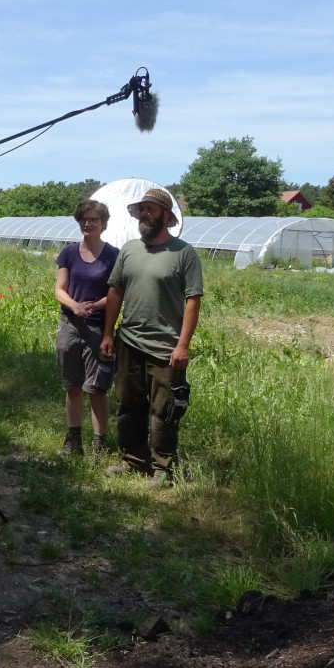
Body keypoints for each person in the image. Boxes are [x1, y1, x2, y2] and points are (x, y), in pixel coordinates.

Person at [99, 187, 203, 488]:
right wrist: (108, 333)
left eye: (151, 209)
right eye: (141, 209)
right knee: (128, 404)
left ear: (166, 216)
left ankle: (162, 468)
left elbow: (193, 301)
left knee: (165, 409)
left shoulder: (184, 253)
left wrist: (183, 345)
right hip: (128, 341)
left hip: (166, 348)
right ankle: (133, 460)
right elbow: (115, 291)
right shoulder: (130, 250)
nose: (144, 214)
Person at [54, 199, 119, 457]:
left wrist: (93, 307)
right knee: (72, 384)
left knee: (96, 388)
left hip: (97, 328)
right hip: (70, 324)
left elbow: (116, 293)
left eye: (93, 219)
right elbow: (60, 290)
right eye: (83, 219)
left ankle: (100, 445)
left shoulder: (113, 255)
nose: (87, 223)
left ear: (104, 224)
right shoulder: (69, 253)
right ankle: (73, 441)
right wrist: (76, 306)